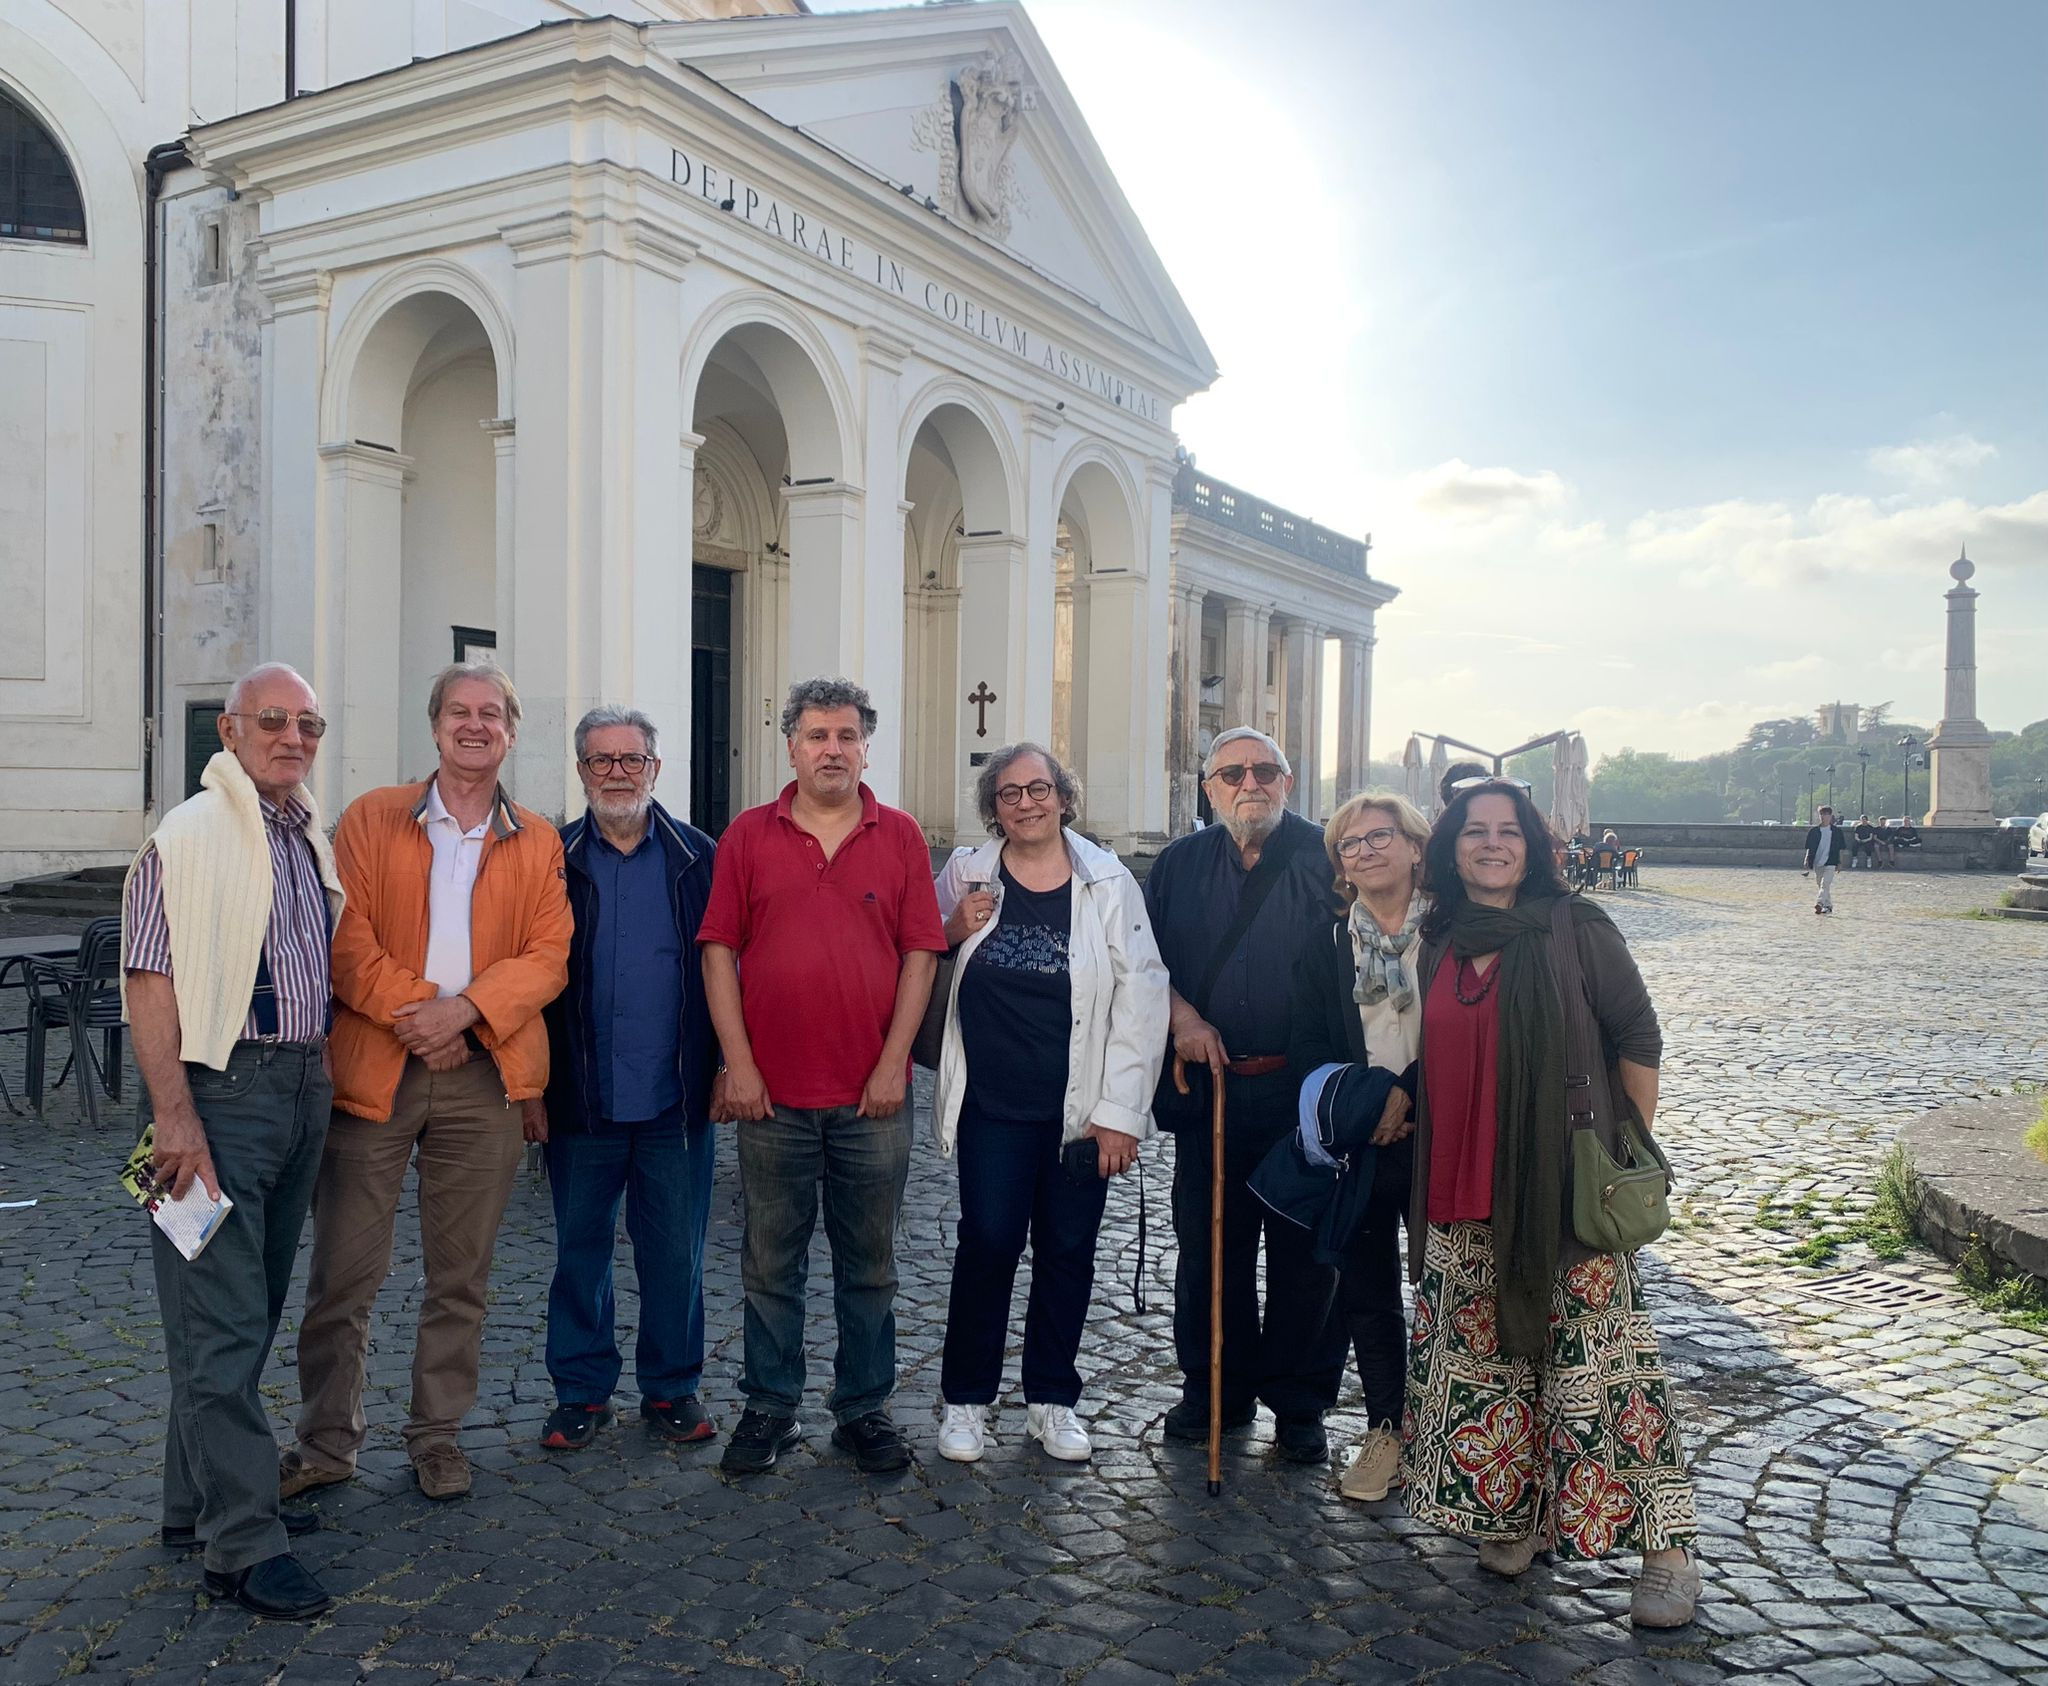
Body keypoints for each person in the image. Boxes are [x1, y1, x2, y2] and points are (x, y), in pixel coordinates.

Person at [1401, 779, 1699, 1629]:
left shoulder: (1577, 930)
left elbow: (1638, 1037)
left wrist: (1621, 1149)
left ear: (1532, 846)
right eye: (1474, 832)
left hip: (1562, 1198)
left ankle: (1668, 1553)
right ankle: (1515, 1515)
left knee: (1600, 1375)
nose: (1492, 845)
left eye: (1509, 832)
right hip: (1462, 1195)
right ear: (1451, 847)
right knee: (1493, 1366)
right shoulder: (1442, 938)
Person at [285, 663, 570, 1503]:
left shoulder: (539, 838)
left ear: (511, 731)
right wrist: (421, 1013)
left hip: (485, 1079)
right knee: (344, 1273)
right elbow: (344, 937)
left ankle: (437, 1434)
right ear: (436, 725)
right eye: (459, 712)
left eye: (491, 714)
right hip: (376, 1068)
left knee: (461, 1276)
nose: (474, 725)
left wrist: (468, 1016)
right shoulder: (373, 817)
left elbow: (548, 957)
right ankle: (327, 1440)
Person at [120, 663, 342, 1621]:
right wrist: (174, 1117)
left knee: (243, 1305)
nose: (293, 737)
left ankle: (197, 1503)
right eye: (273, 721)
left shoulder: (300, 836)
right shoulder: (191, 833)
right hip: (215, 1092)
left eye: (308, 723)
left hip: (298, 1088)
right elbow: (148, 976)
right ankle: (242, 1547)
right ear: (230, 729)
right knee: (220, 1317)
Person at [699, 677, 946, 1474]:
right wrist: (738, 1066)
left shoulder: (901, 835)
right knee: (770, 1266)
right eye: (816, 735)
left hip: (873, 1099)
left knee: (869, 1267)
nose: (831, 749)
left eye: (846, 735)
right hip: (772, 1097)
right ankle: (769, 1409)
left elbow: (920, 954)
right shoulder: (747, 834)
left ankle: (863, 1410)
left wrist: (892, 1065)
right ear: (792, 746)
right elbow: (718, 951)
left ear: (866, 745)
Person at [929, 744, 1169, 1463]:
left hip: (1078, 1110)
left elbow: (1142, 992)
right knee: (988, 1245)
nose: (1026, 803)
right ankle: (967, 1400)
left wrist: (1120, 1114)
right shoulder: (968, 873)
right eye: (1009, 793)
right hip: (991, 1107)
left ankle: (1052, 1400)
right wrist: (951, 929)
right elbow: (916, 952)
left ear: (1065, 797)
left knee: (1068, 1253)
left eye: (1039, 789)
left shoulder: (1107, 881)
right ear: (993, 808)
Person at [1144, 726, 1347, 1463]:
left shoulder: (1328, 858)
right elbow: (1140, 961)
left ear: (1288, 782)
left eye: (1265, 770)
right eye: (1231, 773)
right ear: (1209, 787)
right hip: (1214, 1090)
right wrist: (1181, 1017)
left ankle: (1299, 1405)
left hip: (1304, 1093)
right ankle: (1214, 1392)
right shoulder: (1177, 864)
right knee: (1209, 1248)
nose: (1248, 783)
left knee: (1307, 1256)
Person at [531, 708, 720, 1452]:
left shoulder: (700, 858)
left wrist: (730, 1065)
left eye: (632, 760)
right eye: (602, 760)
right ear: (581, 771)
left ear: (656, 770)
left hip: (676, 1097)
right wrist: (530, 1090)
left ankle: (672, 1387)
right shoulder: (550, 859)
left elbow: (728, 970)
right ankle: (581, 1391)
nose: (618, 772)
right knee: (580, 1250)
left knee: (675, 1251)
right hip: (582, 1095)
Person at [1285, 793, 1430, 1503]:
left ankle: (1458, 1440)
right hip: (1364, 1143)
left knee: (1452, 1291)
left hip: (1442, 1139)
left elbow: (1474, 1038)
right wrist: (1368, 1107)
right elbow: (1307, 1044)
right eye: (1350, 844)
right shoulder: (1326, 944)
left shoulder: (1456, 935)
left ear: (1414, 846)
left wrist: (1409, 1093)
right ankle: (1385, 1431)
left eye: (1381, 837)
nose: (1366, 851)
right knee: (1368, 1294)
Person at [1803, 805, 1843, 914]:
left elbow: (1839, 848)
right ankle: (1828, 906)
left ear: (1830, 816)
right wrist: (1807, 858)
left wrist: (1839, 862)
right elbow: (1809, 847)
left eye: (1825, 814)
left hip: (1831, 861)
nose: (1823, 816)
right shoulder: (1814, 831)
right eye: (1821, 814)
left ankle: (1820, 902)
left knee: (1825, 884)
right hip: (1817, 862)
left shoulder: (1836, 832)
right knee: (1821, 885)